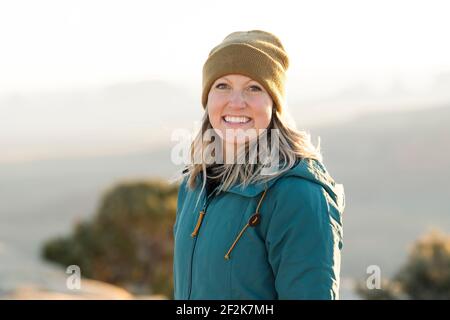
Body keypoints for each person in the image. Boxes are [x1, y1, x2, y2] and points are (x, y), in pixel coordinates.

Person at [172, 30, 345, 300]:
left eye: (254, 88)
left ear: (274, 103)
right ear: (208, 98)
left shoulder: (298, 195)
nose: (236, 102)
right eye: (223, 86)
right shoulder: (194, 186)